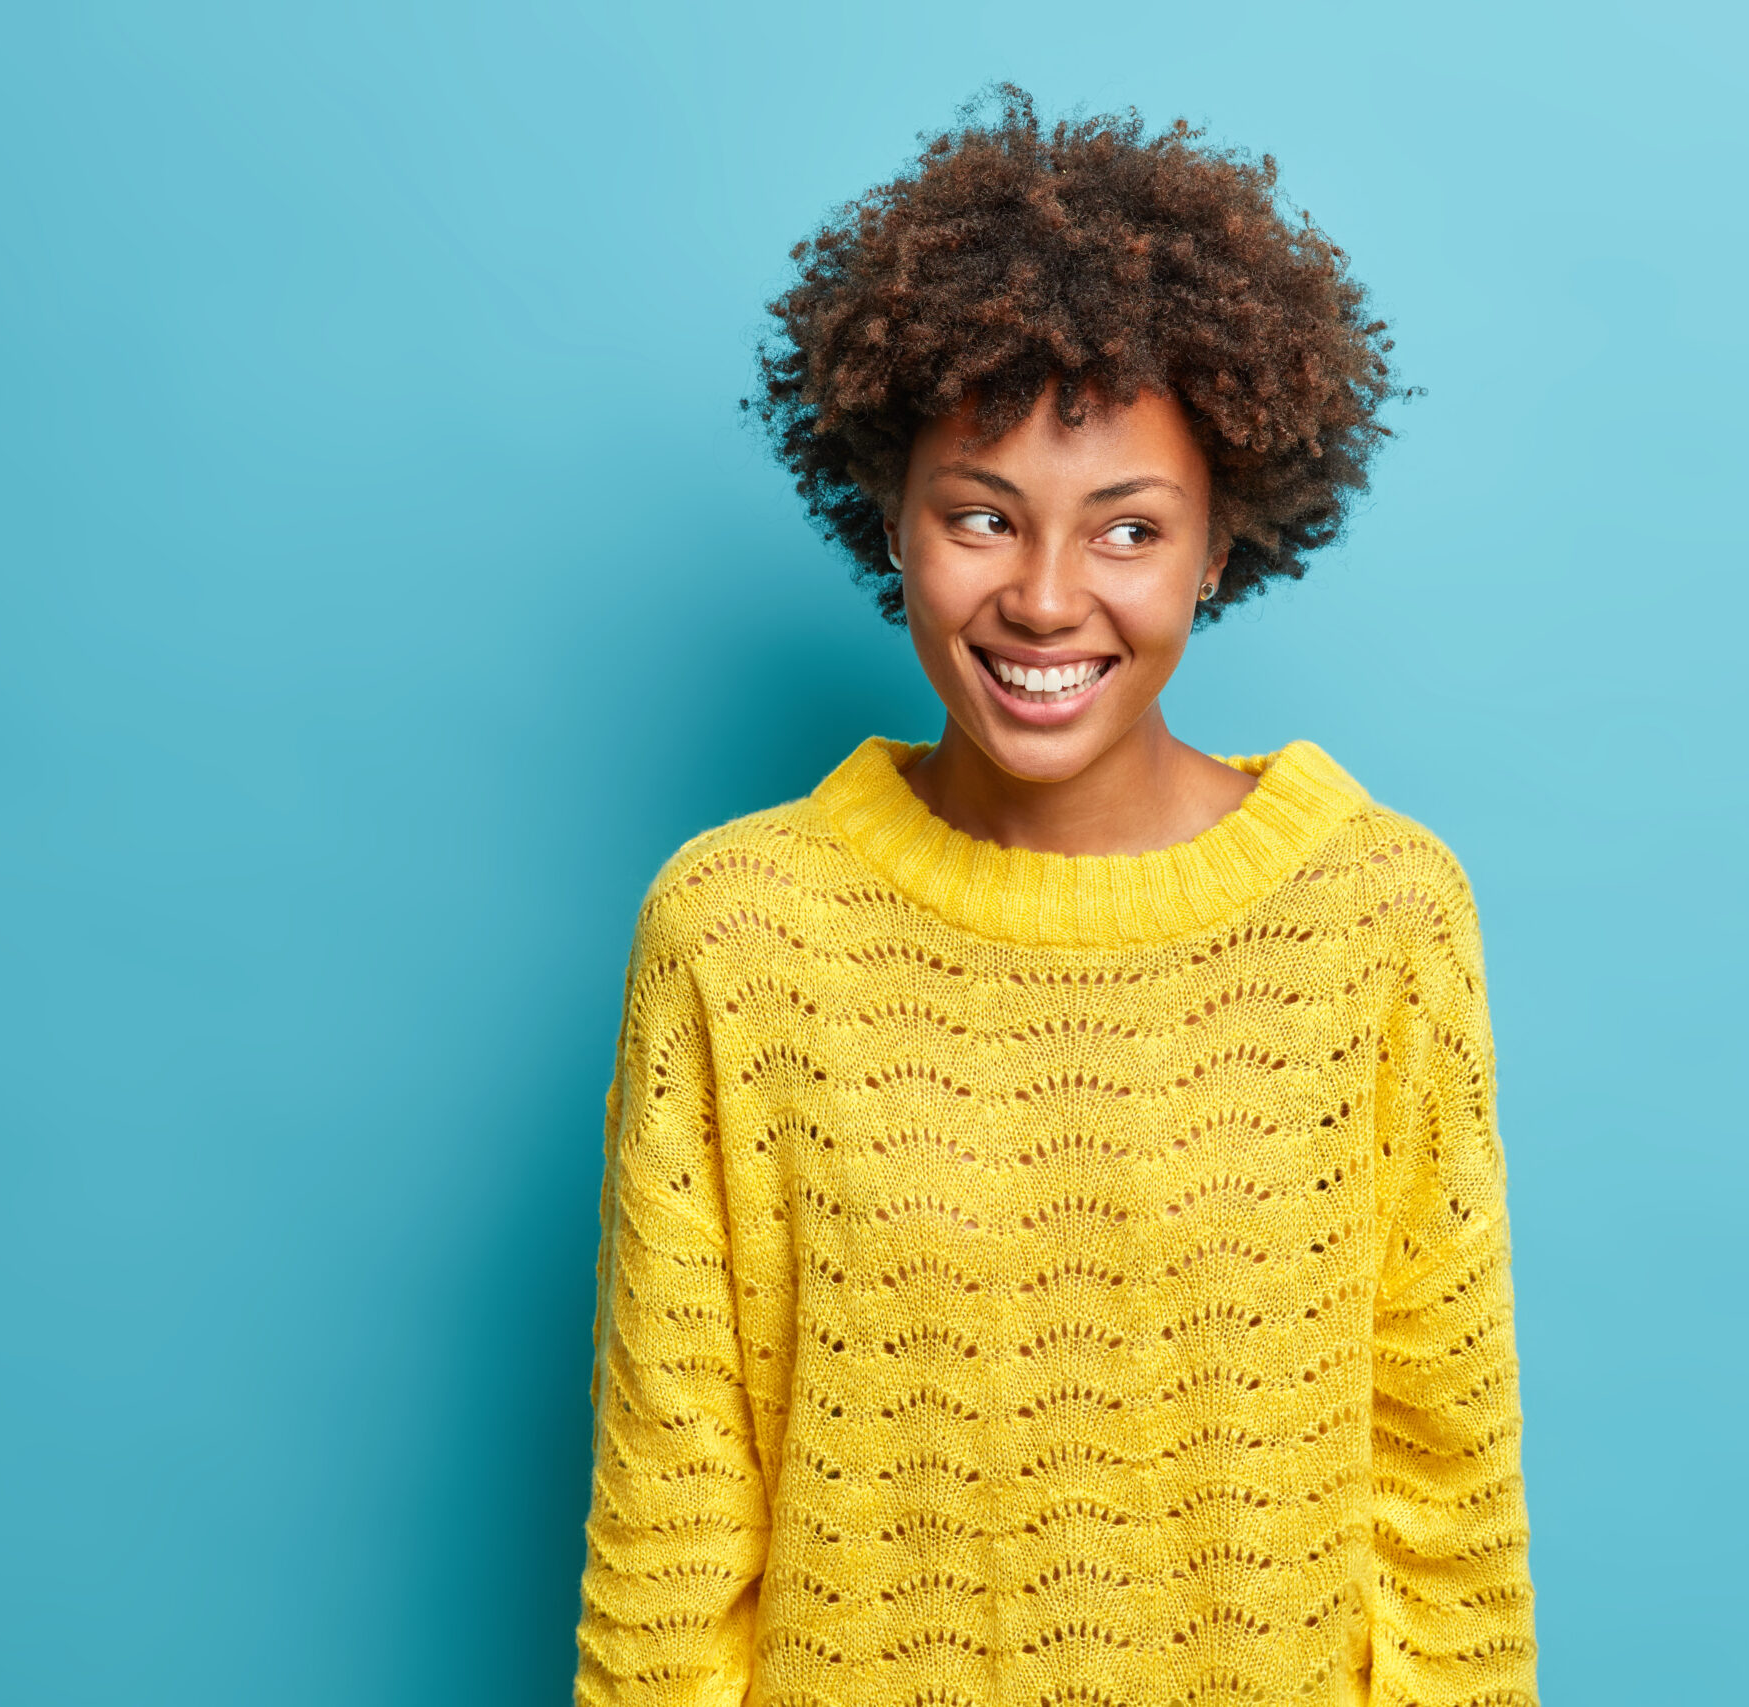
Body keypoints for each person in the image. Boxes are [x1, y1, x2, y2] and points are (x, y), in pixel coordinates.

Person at [572, 88, 1536, 1707]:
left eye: (1128, 530)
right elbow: (672, 1534)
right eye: (981, 516)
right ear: (890, 516)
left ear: (1220, 543)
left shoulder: (1378, 913)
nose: (1043, 597)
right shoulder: (738, 937)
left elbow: (1441, 1507)